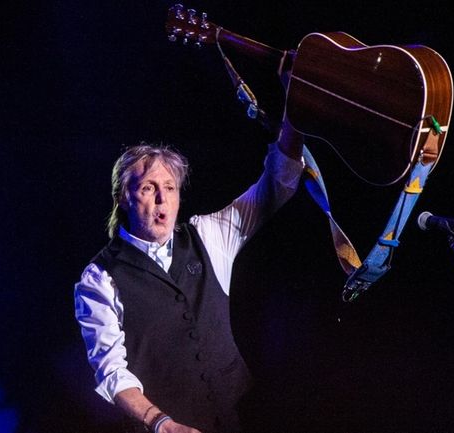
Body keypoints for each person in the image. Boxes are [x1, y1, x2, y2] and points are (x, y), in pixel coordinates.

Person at [74, 121, 303, 433]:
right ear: (123, 198)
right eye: (147, 188)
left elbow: (276, 183)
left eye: (170, 187)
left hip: (247, 416)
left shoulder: (207, 236)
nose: (161, 199)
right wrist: (161, 423)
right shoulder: (99, 278)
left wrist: (296, 117)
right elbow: (111, 372)